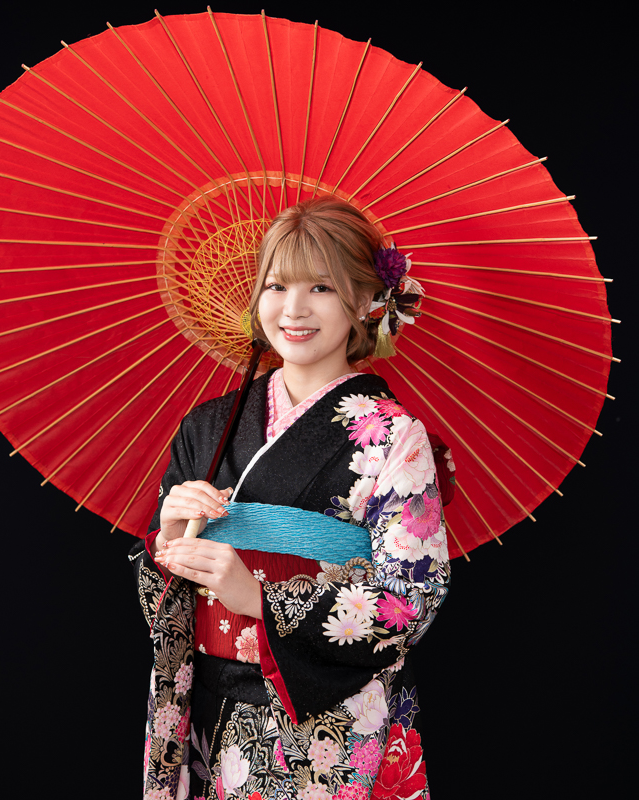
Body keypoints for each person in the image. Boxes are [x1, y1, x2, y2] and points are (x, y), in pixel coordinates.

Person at [129, 196, 453, 800]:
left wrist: (258, 597)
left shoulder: (394, 437)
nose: (293, 309)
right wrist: (168, 542)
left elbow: (411, 599)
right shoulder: (207, 426)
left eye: (321, 287)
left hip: (322, 722)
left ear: (366, 299)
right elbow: (162, 600)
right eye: (276, 285)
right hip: (204, 704)